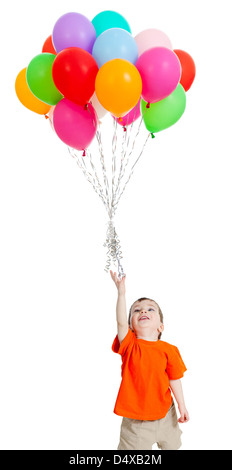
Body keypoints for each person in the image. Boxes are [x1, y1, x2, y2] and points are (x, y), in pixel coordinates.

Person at [110, 270, 189, 450]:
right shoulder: (129, 345)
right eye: (136, 310)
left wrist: (182, 405)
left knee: (172, 445)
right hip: (136, 422)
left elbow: (174, 378)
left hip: (166, 415)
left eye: (150, 309)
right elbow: (120, 323)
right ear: (131, 326)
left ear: (160, 326)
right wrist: (121, 293)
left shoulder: (169, 349)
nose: (143, 310)